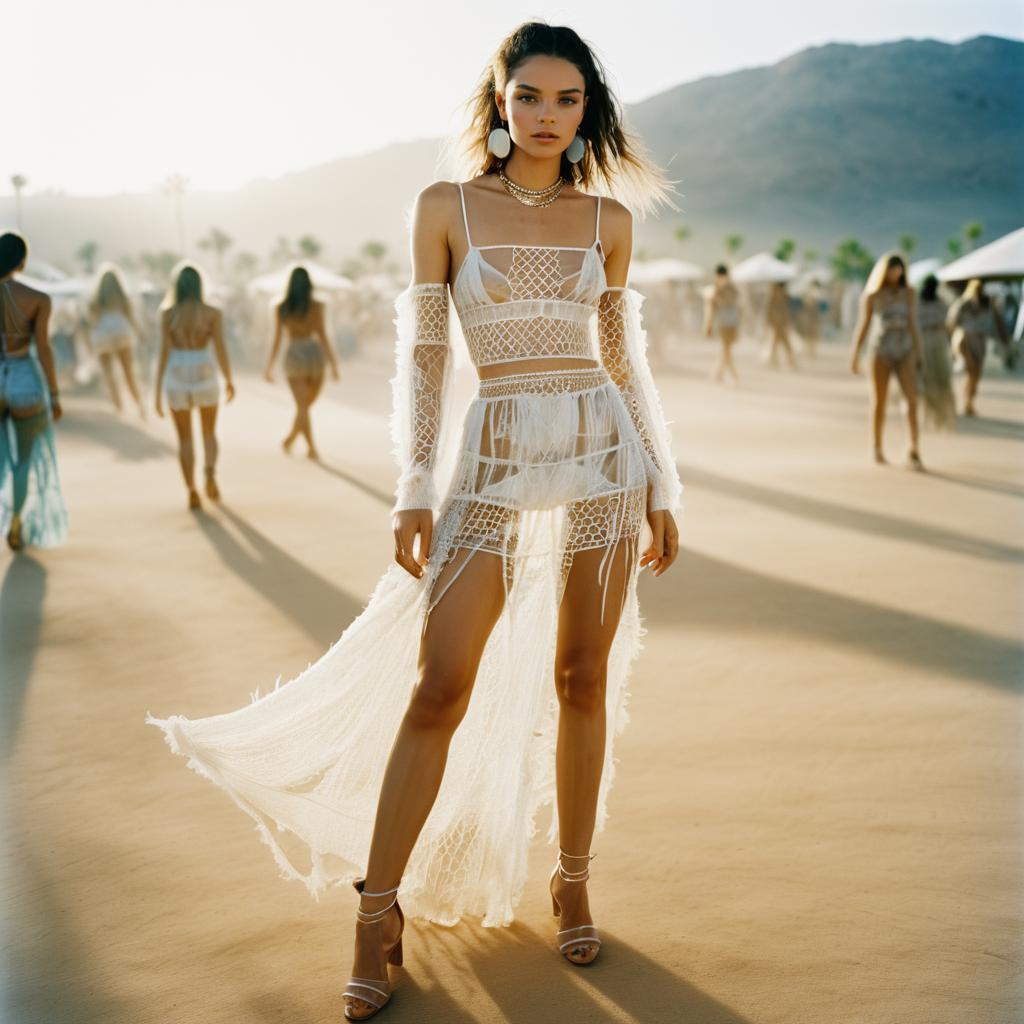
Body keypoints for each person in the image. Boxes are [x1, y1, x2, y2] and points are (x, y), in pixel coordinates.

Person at [148, 22, 682, 1021]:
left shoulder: (607, 220)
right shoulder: (445, 207)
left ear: (586, 114)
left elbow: (623, 358)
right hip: (491, 452)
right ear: (498, 100)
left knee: (582, 673)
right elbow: (427, 354)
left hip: (602, 450)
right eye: (529, 96)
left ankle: (571, 875)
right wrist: (413, 484)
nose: (547, 117)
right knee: (440, 684)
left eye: (567, 101)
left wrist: (661, 479)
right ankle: (375, 915)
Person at [0, 232, 68, 551]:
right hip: (24, 377)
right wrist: (54, 394)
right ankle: (16, 521)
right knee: (24, 458)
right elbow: (44, 348)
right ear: (22, 262)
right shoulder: (38, 299)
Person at [153, 264, 235, 509]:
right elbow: (220, 348)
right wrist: (229, 379)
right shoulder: (212, 313)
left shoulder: (168, 314)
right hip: (204, 368)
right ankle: (209, 471)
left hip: (178, 369)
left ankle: (191, 489)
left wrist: (157, 392)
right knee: (209, 432)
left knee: (185, 438)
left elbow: (163, 353)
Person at [850, 252, 924, 469]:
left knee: (911, 400)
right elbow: (863, 325)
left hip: (905, 349)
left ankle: (914, 449)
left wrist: (919, 353)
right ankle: (877, 447)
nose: (896, 272)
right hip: (880, 349)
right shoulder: (872, 295)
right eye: (892, 268)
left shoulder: (909, 293)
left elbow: (913, 323)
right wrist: (854, 354)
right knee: (879, 402)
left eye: (899, 268)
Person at [264, 266, 340, 459]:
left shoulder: (282, 307)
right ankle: (311, 447)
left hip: (295, 354)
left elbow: (277, 338)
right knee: (304, 406)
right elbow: (322, 335)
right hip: (314, 354)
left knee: (303, 406)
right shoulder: (316, 306)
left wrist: (270, 366)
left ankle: (291, 438)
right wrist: (332, 363)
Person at [87, 264, 146, 417]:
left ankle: (118, 407)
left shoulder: (96, 299)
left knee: (109, 373)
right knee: (129, 372)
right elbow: (131, 317)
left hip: (103, 334)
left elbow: (92, 319)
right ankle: (140, 404)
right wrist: (140, 333)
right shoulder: (123, 296)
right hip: (122, 331)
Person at [947, 278, 1010, 417]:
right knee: (971, 372)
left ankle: (969, 400)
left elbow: (997, 322)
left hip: (980, 341)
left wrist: (1004, 339)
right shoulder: (964, 304)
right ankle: (967, 401)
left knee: (976, 373)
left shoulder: (987, 303)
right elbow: (952, 320)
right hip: (966, 339)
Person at [916, 275, 955, 429]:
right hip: (925, 342)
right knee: (927, 378)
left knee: (941, 379)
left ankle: (942, 414)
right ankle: (928, 412)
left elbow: (948, 326)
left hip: (938, 342)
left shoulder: (941, 304)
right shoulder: (917, 304)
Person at [704, 264, 740, 382]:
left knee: (726, 350)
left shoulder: (725, 288)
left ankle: (723, 375)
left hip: (728, 322)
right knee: (726, 349)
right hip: (727, 322)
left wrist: (717, 298)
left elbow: (730, 303)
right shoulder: (725, 288)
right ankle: (723, 375)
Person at [765, 281, 797, 369]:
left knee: (778, 343)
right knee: (781, 344)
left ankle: (777, 361)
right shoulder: (774, 296)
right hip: (778, 323)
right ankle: (788, 361)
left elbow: (785, 310)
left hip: (780, 323)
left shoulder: (782, 296)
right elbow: (770, 310)